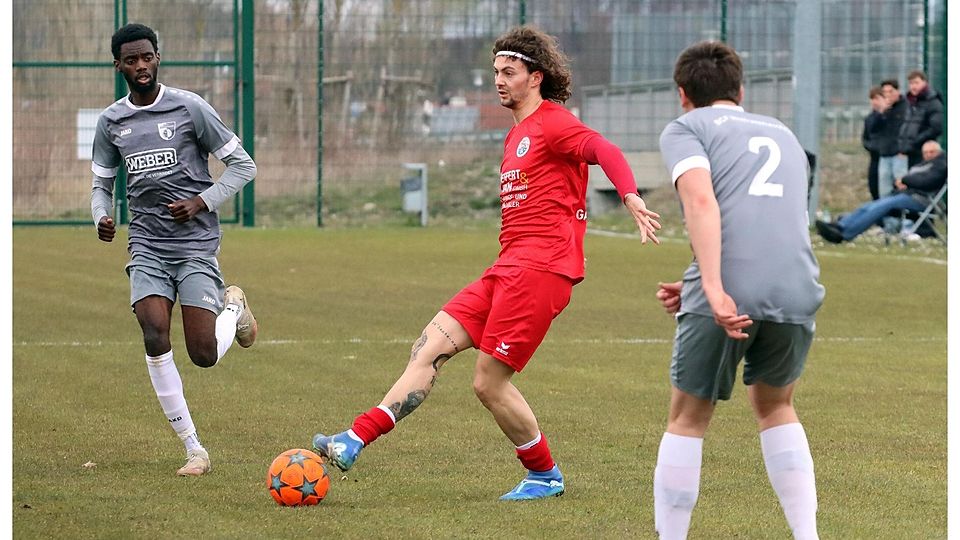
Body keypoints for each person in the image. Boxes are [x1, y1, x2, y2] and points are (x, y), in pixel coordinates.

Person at [311, 25, 662, 501]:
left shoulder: (555, 123)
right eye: (495, 71)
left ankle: (544, 475)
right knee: (429, 343)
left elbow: (604, 150)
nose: (499, 80)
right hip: (508, 267)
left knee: (488, 383)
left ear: (535, 77)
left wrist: (630, 195)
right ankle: (353, 440)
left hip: (542, 269)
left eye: (509, 72)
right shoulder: (517, 133)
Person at [654, 41, 825, 539]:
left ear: (683, 94)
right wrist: (695, 286)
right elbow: (769, 218)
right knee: (776, 405)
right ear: (741, 90)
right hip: (796, 285)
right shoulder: (785, 134)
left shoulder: (687, 127)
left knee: (688, 417)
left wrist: (711, 286)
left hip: (728, 285)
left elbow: (703, 203)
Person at [90, 23, 259, 476]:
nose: (141, 66)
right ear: (118, 65)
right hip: (146, 244)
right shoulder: (111, 122)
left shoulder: (190, 108)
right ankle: (194, 449)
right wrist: (101, 217)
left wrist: (202, 200)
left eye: (147, 57)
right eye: (131, 60)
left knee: (202, 353)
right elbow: (101, 186)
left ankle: (234, 310)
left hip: (196, 245)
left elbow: (243, 166)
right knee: (153, 331)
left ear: (157, 58)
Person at [815, 140, 946, 244]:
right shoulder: (921, 165)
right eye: (926, 152)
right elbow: (915, 180)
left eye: (932, 152)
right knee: (869, 206)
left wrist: (905, 180)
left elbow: (926, 182)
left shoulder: (940, 165)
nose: (929, 155)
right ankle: (840, 226)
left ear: (939, 152)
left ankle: (845, 234)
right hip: (906, 195)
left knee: (882, 206)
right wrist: (905, 182)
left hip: (921, 199)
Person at [898, 70, 944, 168]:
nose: (913, 86)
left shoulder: (933, 102)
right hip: (911, 151)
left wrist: (917, 141)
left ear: (925, 82)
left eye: (916, 83)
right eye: (911, 83)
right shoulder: (911, 102)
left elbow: (936, 128)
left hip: (925, 152)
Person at [875, 79, 908, 198]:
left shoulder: (906, 107)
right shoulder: (883, 109)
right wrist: (881, 112)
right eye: (885, 92)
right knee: (884, 189)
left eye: (891, 91)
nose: (888, 95)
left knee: (901, 186)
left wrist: (904, 149)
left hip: (900, 153)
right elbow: (873, 128)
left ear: (897, 91)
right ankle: (886, 215)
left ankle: (904, 214)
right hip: (885, 153)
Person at [861, 86, 885, 200]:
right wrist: (872, 147)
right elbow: (865, 139)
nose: (874, 102)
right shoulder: (870, 118)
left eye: (877, 98)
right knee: (874, 187)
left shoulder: (891, 116)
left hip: (887, 156)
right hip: (875, 158)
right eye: (872, 99)